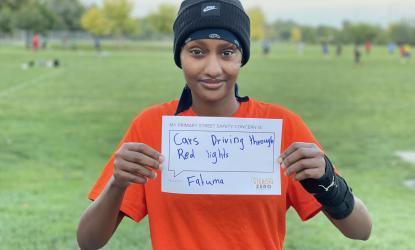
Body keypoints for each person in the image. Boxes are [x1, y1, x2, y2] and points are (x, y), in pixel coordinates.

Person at [76, 1, 372, 249]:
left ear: (242, 56)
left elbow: (360, 229)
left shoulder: (282, 126)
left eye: (227, 52)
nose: (213, 68)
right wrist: (117, 184)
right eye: (197, 51)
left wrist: (328, 181)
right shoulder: (151, 126)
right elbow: (88, 241)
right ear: (179, 56)